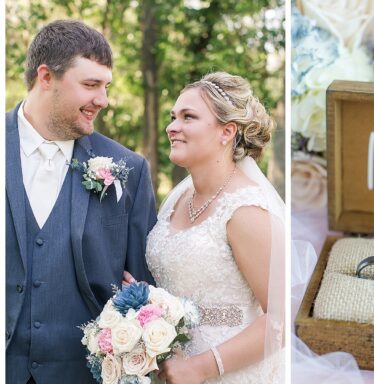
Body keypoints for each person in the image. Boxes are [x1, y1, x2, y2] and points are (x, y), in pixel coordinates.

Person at [5, 20, 157, 383]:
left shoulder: (128, 169)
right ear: (46, 77)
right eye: (90, 85)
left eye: (105, 87)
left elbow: (143, 289)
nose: (102, 100)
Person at [138, 72, 285, 383]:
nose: (172, 127)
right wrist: (140, 297)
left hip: (227, 372)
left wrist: (202, 367)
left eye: (188, 117)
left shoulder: (246, 211)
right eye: (173, 117)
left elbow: (281, 320)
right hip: (169, 368)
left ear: (226, 132)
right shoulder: (180, 197)